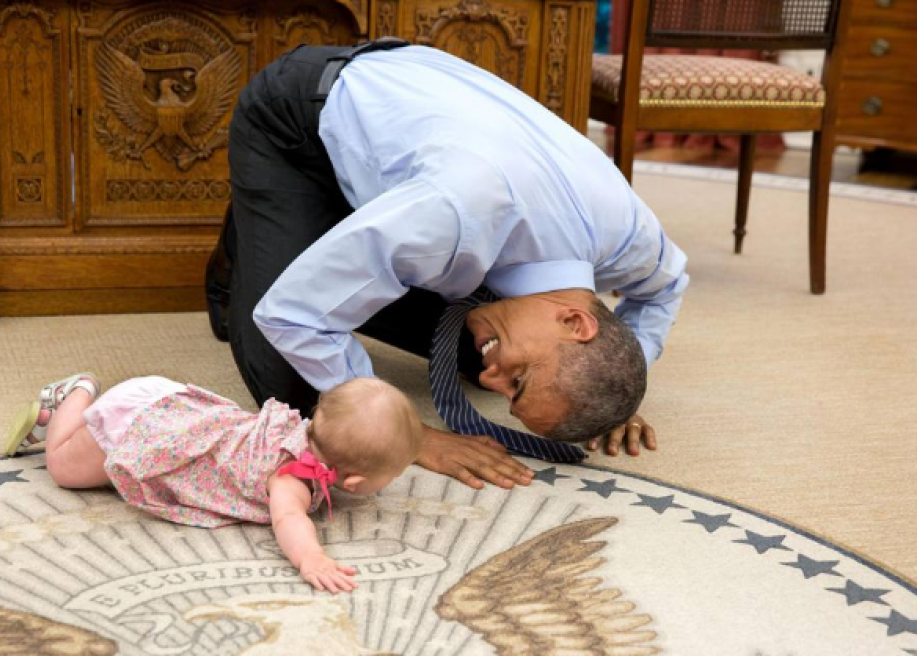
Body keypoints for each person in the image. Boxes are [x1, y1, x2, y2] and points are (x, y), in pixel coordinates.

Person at [205, 41, 689, 491]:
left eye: (509, 394)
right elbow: (292, 313)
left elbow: (666, 289)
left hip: (419, 156)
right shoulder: (457, 213)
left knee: (473, 348)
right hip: (298, 121)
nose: (490, 384)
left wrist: (612, 393)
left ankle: (314, 235)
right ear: (575, 322)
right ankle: (262, 228)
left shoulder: (631, 237)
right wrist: (409, 434)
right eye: (517, 381)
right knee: (296, 391)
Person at [3, 372, 422, 594]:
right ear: (355, 481)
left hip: (172, 405)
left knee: (74, 463)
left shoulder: (297, 428)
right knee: (62, 468)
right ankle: (75, 394)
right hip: (141, 428)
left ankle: (75, 410)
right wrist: (311, 558)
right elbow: (289, 520)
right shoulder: (291, 476)